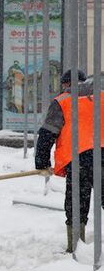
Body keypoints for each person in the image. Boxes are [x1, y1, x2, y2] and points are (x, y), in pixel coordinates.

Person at [35, 69, 104, 253]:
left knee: (77, 202)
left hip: (79, 159)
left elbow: (48, 132)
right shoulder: (102, 96)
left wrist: (42, 162)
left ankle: (75, 246)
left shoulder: (63, 101)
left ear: (66, 84)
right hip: (103, 155)